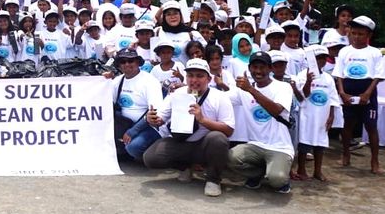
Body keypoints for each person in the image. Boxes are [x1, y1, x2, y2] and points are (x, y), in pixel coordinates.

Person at [143, 58, 235, 196]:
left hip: (204, 145)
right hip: (181, 143)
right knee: (150, 158)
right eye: (190, 75)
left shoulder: (220, 97)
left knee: (218, 138)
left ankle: (213, 180)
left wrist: (203, 119)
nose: (194, 80)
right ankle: (185, 167)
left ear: (208, 79)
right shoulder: (177, 94)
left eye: (199, 76)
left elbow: (228, 130)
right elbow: (160, 118)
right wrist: (151, 118)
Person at [228, 51, 295, 194]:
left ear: (270, 68)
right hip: (255, 145)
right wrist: (189, 88)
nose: (258, 71)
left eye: (262, 67)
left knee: (276, 180)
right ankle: (257, 174)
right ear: (249, 68)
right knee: (230, 157)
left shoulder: (283, 87)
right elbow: (220, 99)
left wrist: (251, 89)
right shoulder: (242, 90)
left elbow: (276, 110)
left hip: (279, 147)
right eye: (255, 67)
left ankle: (279, 175)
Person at [332, 15, 384, 173]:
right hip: (348, 91)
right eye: (353, 33)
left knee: (371, 126)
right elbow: (339, 74)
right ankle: (346, 154)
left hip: (367, 92)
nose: (356, 37)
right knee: (347, 125)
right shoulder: (344, 51)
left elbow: (378, 76)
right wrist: (342, 93)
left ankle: (374, 161)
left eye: (360, 34)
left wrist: (367, 94)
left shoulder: (375, 53)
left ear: (369, 35)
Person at [296, 45, 340, 181]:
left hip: (322, 115)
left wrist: (331, 115)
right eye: (317, 58)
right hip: (307, 115)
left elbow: (333, 98)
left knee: (320, 143)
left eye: (323, 58)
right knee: (304, 142)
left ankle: (317, 171)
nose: (320, 61)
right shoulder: (302, 75)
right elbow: (303, 95)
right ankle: (301, 169)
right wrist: (309, 81)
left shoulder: (328, 78)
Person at [110, 48, 163, 162]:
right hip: (124, 124)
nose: (127, 64)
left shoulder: (149, 81)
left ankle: (157, 148)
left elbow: (154, 113)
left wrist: (133, 131)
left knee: (133, 148)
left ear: (138, 62)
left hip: (148, 126)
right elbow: (107, 104)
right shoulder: (117, 81)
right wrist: (103, 79)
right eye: (123, 62)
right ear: (119, 65)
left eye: (130, 61)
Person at [153, 0, 206, 65]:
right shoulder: (157, 31)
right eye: (168, 14)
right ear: (164, 17)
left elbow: (204, 51)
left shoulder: (191, 33)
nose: (172, 17)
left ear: (180, 15)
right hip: (161, 74)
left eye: (175, 13)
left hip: (187, 73)